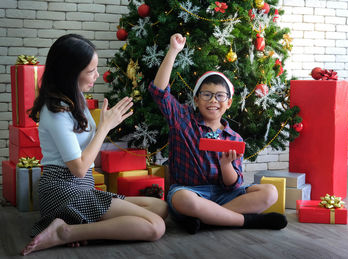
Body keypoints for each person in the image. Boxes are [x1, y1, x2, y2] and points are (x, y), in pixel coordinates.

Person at [22, 34, 167, 256]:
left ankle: (79, 227)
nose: (97, 75)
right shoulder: (56, 111)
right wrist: (104, 128)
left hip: (83, 189)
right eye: (91, 71)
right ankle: (66, 232)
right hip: (63, 191)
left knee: (160, 207)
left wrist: (106, 125)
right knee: (156, 227)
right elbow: (79, 169)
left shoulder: (75, 98)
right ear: (70, 72)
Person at [148, 33, 287, 234]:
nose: (213, 100)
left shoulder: (234, 138)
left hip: (225, 194)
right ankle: (245, 221)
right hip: (191, 193)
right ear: (196, 100)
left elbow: (234, 185)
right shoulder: (182, 120)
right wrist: (173, 51)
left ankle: (206, 220)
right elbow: (159, 92)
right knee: (182, 199)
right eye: (206, 95)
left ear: (228, 103)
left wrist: (225, 165)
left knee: (270, 192)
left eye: (220, 96)